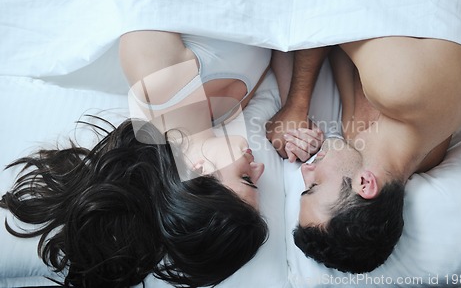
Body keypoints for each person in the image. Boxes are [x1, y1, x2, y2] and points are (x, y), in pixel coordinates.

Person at [0, 30, 272, 288]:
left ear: (198, 173)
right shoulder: (227, 112)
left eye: (247, 179)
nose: (259, 168)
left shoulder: (160, 82)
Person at [266, 37, 461, 273]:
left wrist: (308, 135)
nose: (306, 169)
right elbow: (326, 20)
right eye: (314, 186)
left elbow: (338, 50)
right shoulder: (402, 92)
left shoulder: (363, 138)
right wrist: (296, 105)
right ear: (365, 184)